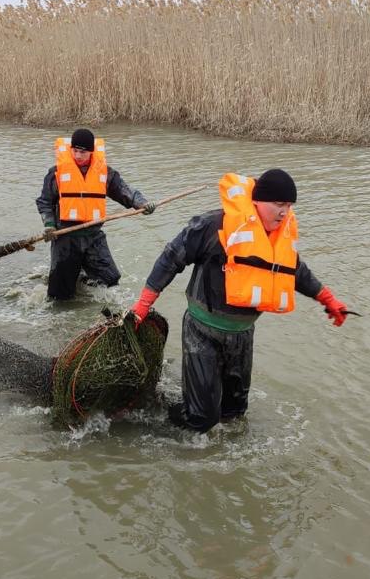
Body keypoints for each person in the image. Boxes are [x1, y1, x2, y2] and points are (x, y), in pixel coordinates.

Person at [128, 168, 350, 433]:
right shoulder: (214, 226)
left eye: (289, 206)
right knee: (200, 420)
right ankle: (156, 423)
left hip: (242, 336)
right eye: (278, 204)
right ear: (257, 201)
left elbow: (296, 272)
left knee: (234, 415)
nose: (284, 212)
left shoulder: (279, 236)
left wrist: (327, 299)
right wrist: (144, 304)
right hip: (202, 331)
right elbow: (171, 257)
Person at [36, 128, 155, 301]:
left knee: (110, 279)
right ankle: (72, 276)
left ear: (91, 152)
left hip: (93, 235)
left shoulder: (105, 173)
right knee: (59, 296)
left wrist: (142, 203)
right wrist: (49, 224)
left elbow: (125, 191)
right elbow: (44, 202)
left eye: (82, 152)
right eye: (74, 151)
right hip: (65, 238)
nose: (78, 155)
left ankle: (82, 276)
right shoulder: (56, 173)